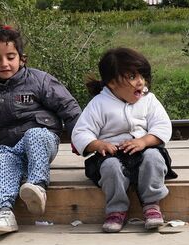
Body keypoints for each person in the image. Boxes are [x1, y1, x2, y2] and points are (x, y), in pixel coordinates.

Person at [0, 24, 82, 236]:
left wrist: (80, 137)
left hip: (42, 139)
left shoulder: (39, 80)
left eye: (10, 57)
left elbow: (69, 108)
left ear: (22, 58)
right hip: (7, 145)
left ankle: (37, 186)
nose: (4, 64)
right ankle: (3, 212)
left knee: (35, 134)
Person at [71, 47, 176, 233]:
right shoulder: (99, 104)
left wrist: (144, 141)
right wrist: (98, 144)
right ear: (112, 83)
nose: (140, 82)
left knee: (154, 158)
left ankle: (151, 204)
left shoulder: (149, 100)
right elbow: (80, 133)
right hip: (113, 155)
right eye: (132, 77)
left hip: (144, 151)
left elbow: (163, 126)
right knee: (110, 167)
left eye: (142, 76)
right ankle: (116, 210)